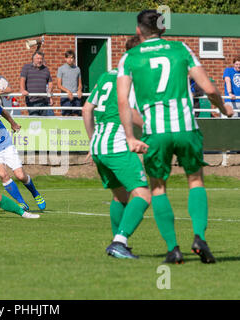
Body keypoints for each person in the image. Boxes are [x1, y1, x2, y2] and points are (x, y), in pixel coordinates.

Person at [117, 10, 234, 264]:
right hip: (186, 127)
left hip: (154, 132)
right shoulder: (181, 49)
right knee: (195, 180)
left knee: (158, 187)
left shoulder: (129, 57)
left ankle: (173, 248)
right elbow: (209, 88)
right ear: (163, 30)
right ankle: (199, 237)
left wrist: (129, 136)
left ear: (138, 31)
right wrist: (224, 108)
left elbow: (123, 101)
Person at [82, 35, 151, 260]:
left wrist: (92, 143)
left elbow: (86, 109)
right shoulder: (131, 76)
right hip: (117, 143)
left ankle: (117, 244)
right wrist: (153, 127)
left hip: (100, 144)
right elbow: (128, 111)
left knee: (119, 196)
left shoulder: (106, 75)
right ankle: (120, 241)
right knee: (143, 194)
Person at [20, 51, 54, 116]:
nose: (40, 60)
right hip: (32, 101)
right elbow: (22, 80)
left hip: (44, 101)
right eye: (38, 58)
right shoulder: (26, 67)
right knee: (35, 121)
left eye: (41, 59)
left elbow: (50, 82)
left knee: (45, 122)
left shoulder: (45, 69)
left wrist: (50, 95)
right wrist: (22, 89)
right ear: (33, 59)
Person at [57, 50, 83, 116]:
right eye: (68, 57)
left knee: (76, 116)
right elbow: (59, 85)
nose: (70, 59)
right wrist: (67, 91)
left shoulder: (77, 69)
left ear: (74, 59)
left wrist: (79, 90)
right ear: (65, 58)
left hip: (76, 97)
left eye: (72, 58)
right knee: (66, 116)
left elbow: (79, 83)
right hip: (65, 97)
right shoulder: (61, 69)